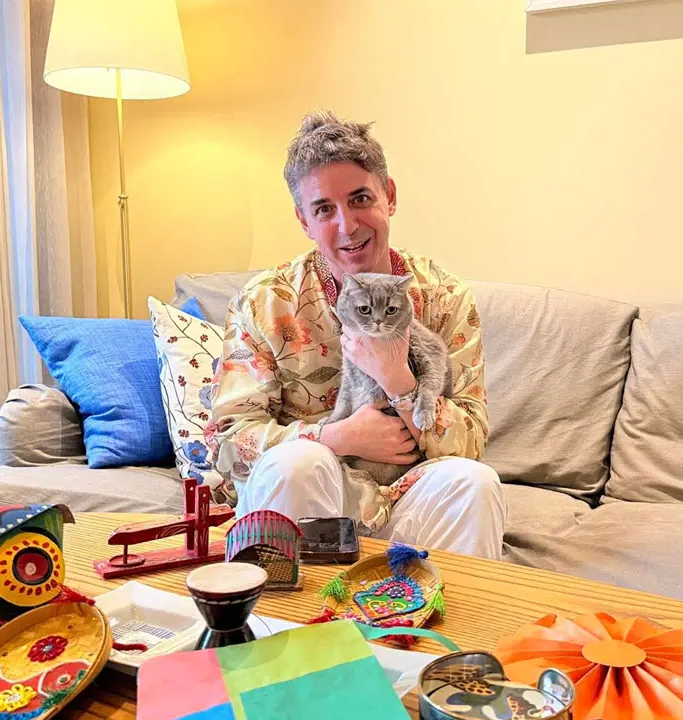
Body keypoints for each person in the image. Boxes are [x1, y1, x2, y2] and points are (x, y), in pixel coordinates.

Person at [204, 111, 505, 560]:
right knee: (298, 463)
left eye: (360, 198)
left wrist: (399, 382)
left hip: (408, 492)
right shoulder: (265, 302)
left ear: (390, 196)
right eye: (324, 209)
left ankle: (439, 608)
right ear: (304, 220)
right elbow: (229, 441)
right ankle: (293, 604)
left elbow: (472, 439)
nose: (347, 225)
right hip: (310, 490)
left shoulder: (446, 297)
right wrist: (339, 437)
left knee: (475, 483)